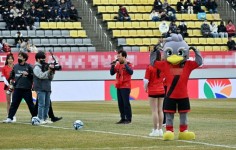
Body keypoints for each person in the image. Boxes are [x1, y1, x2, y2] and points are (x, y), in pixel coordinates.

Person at [3, 52, 36, 123]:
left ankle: (34, 117)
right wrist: (11, 83)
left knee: (30, 104)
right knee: (14, 104)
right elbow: (11, 76)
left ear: (24, 58)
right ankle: (10, 118)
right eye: (18, 56)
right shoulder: (15, 66)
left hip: (27, 89)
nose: (19, 58)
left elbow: (33, 76)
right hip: (17, 89)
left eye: (20, 57)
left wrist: (28, 74)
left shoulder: (29, 66)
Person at [144, 48, 165, 137]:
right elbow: (164, 78)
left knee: (154, 111)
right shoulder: (162, 65)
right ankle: (160, 129)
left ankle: (155, 129)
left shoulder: (150, 67)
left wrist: (145, 88)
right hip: (161, 89)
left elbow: (146, 80)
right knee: (160, 110)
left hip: (153, 90)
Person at [110, 50, 133, 124]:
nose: (118, 58)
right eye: (117, 56)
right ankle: (123, 118)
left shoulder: (128, 64)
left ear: (124, 56)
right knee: (120, 103)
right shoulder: (118, 65)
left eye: (119, 56)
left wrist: (126, 65)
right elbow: (112, 73)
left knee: (126, 103)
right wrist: (113, 65)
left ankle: (128, 119)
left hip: (125, 86)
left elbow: (131, 72)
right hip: (119, 86)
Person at [33, 51, 55, 124]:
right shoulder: (36, 67)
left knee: (47, 104)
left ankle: (45, 118)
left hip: (47, 87)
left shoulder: (45, 66)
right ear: (38, 59)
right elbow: (41, 75)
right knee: (41, 104)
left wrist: (52, 72)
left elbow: (50, 78)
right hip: (40, 87)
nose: (43, 60)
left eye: (44, 58)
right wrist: (48, 71)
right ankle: (40, 118)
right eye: (42, 58)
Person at [1, 54, 15, 121]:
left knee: (14, 102)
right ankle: (9, 116)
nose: (10, 60)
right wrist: (9, 85)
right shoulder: (4, 68)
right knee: (8, 102)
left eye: (11, 59)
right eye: (9, 59)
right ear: (7, 60)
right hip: (7, 86)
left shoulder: (15, 67)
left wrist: (13, 84)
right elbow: (3, 77)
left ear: (13, 60)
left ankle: (13, 115)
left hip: (15, 86)